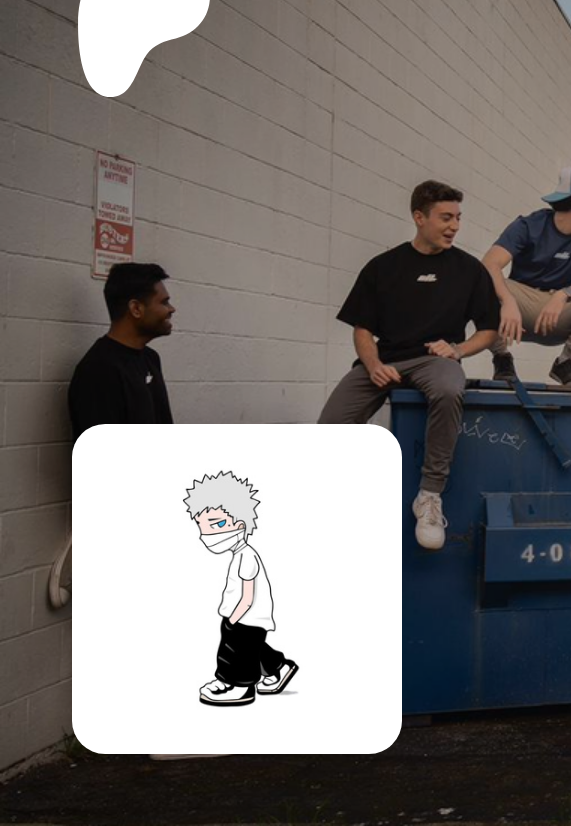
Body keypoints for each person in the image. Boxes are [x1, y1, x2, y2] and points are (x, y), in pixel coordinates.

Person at [318, 180, 499, 551]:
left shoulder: (468, 270)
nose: (454, 226)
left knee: (449, 389)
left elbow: (489, 331)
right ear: (419, 217)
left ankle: (429, 496)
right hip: (385, 360)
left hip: (435, 361)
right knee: (330, 427)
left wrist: (458, 350)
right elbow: (362, 329)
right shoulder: (384, 267)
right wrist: (372, 365)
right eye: (445, 218)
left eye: (458, 218)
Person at [481, 164, 571, 387]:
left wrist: (563, 295)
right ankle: (502, 359)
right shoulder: (528, 225)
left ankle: (567, 363)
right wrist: (507, 301)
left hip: (562, 313)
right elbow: (490, 263)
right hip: (522, 310)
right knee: (480, 281)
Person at [185, 471, 298, 707]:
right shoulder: (240, 555)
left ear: (240, 524)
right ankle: (279, 667)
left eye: (217, 524)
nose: (209, 534)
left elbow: (248, 596)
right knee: (252, 648)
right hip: (243, 615)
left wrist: (233, 619)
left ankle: (239, 685)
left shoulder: (247, 556)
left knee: (234, 650)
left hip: (247, 616)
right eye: (203, 527)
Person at [68, 262, 176, 440]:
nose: (172, 309)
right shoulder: (99, 370)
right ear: (136, 309)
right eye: (164, 302)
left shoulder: (150, 358)